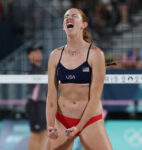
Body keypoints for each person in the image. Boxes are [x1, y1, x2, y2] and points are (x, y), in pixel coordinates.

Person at [45, 8, 113, 150]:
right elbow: (51, 95)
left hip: (90, 120)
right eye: (66, 17)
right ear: (64, 26)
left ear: (83, 25)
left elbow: (95, 98)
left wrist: (79, 127)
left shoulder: (96, 54)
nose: (69, 18)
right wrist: (50, 125)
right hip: (62, 120)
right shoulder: (55, 55)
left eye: (74, 16)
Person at [25, 46, 47, 150]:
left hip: (41, 104)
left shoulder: (39, 69)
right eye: (36, 52)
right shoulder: (32, 70)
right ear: (29, 56)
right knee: (37, 133)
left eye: (39, 52)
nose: (39, 53)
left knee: (44, 132)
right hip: (35, 104)